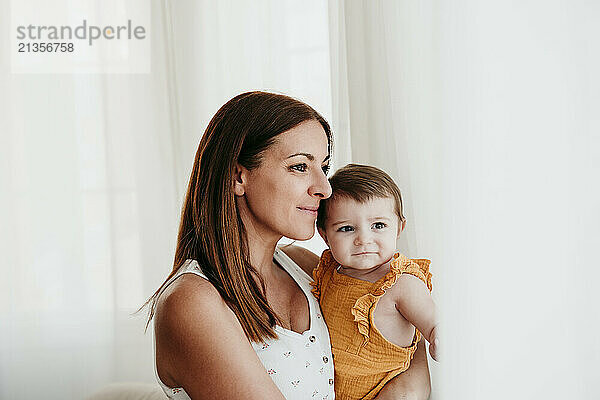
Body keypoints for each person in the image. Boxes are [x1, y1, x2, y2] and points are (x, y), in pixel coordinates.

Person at [142, 92, 431, 399]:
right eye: (299, 167)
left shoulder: (311, 269)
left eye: (323, 167)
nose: (324, 188)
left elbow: (405, 358)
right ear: (238, 176)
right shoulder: (193, 301)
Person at [313, 164, 439, 400]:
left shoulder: (401, 282)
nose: (363, 239)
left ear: (399, 228)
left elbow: (433, 323)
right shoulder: (328, 272)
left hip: (383, 392)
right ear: (325, 235)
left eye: (378, 226)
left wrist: (439, 338)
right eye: (347, 228)